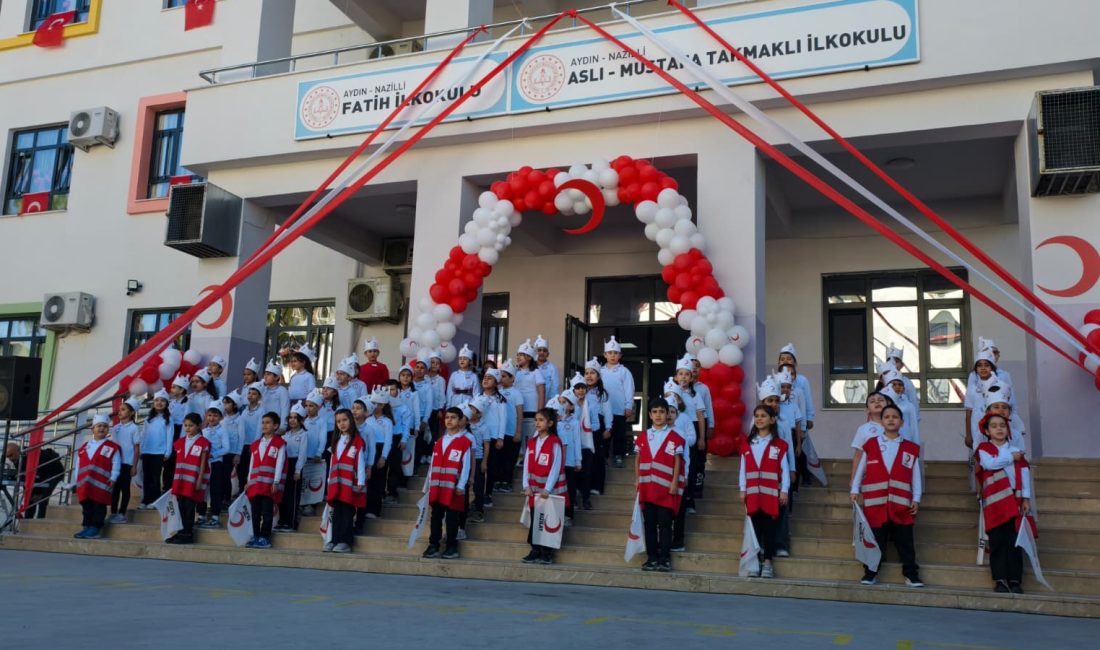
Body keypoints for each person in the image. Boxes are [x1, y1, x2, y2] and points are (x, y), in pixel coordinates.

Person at [850, 404, 924, 587]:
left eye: (895, 416)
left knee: (905, 541)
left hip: (901, 504)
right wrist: (854, 489)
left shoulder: (910, 448)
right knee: (875, 540)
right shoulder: (872, 444)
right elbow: (862, 468)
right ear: (881, 421)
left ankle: (911, 574)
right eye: (887, 416)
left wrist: (916, 498)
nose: (891, 419)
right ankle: (870, 572)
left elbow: (916, 475)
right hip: (875, 503)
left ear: (902, 422)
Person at [975, 413, 1032, 594]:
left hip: (1014, 500)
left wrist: (1026, 498)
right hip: (994, 503)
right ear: (986, 431)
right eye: (994, 426)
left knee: (1014, 542)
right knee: (997, 542)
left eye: (1002, 425)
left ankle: (1015, 580)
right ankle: (1000, 580)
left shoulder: (1016, 451)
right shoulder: (984, 449)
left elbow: (1023, 476)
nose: (999, 428)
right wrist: (1011, 457)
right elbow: (990, 464)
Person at [739, 403, 789, 578]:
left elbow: (784, 468)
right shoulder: (748, 443)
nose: (759, 419)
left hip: (770, 494)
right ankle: (754, 562)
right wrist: (742, 488)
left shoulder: (779, 445)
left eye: (763, 416)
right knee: (755, 527)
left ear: (772, 420)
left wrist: (784, 490)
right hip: (753, 493)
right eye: (757, 416)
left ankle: (767, 562)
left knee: (769, 528)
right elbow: (743, 468)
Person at [636, 397, 685, 572]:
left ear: (668, 415)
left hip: (665, 490)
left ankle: (664, 559)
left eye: (662, 412)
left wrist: (674, 483)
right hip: (647, 489)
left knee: (665, 525)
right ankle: (652, 558)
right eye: (655, 412)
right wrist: (637, 479)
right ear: (649, 415)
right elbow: (638, 458)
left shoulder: (674, 437)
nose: (658, 415)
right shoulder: (644, 436)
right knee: (649, 524)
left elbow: (678, 461)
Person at [422, 406, 472, 560]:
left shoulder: (464, 442)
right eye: (447, 417)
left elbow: (466, 466)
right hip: (437, 487)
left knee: (452, 518)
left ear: (460, 421)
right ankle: (433, 544)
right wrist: (428, 484)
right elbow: (432, 465)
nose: (449, 420)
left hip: (453, 488)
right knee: (435, 517)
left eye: (453, 417)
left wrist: (461, 485)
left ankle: (451, 546)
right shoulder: (439, 441)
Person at [523, 407, 568, 565]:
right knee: (536, 519)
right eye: (536, 419)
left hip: (549, 491)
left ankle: (546, 553)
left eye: (541, 420)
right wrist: (525, 485)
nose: (537, 422)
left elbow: (556, 466)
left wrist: (548, 488)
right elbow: (527, 465)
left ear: (550, 423)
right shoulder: (532, 442)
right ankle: (535, 550)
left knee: (548, 519)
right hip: (534, 490)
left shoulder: (555, 442)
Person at [71, 414, 121, 539]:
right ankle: (86, 527)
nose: (101, 428)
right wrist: (76, 480)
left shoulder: (112, 447)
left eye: (104, 426)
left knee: (99, 506)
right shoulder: (84, 447)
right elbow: (78, 465)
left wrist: (114, 477)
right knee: (86, 507)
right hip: (85, 484)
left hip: (102, 483)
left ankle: (95, 528)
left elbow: (116, 463)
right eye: (99, 426)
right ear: (92, 429)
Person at [326, 408, 368, 553]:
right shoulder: (336, 441)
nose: (341, 424)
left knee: (347, 512)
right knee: (337, 513)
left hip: (350, 484)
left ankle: (345, 541)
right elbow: (332, 461)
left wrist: (361, 482)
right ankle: (335, 539)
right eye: (338, 421)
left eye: (344, 420)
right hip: (336, 484)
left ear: (351, 420)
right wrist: (329, 480)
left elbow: (360, 462)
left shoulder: (357, 441)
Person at [166, 413, 210, 545]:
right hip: (180, 481)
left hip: (193, 482)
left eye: (191, 425)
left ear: (199, 426)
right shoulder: (179, 442)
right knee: (180, 507)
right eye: (186, 425)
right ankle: (180, 532)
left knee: (189, 508)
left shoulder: (203, 442)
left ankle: (188, 533)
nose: (188, 428)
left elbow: (203, 464)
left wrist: (199, 480)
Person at [245, 412, 286, 549]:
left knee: (267, 512)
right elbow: (251, 464)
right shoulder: (256, 444)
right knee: (255, 512)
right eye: (263, 422)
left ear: (275, 426)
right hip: (256, 484)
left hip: (269, 484)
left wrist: (276, 482)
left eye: (268, 422)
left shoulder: (279, 443)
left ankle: (265, 537)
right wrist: (248, 481)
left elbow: (280, 464)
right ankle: (255, 535)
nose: (264, 425)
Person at [599, 337, 635, 469]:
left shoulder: (624, 371)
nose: (613, 355)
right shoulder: (600, 372)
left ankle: (618, 456)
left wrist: (628, 406)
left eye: (615, 353)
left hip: (619, 410)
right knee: (604, 434)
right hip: (603, 410)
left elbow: (629, 389)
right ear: (605, 355)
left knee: (619, 435)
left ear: (620, 355)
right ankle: (604, 456)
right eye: (610, 353)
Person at [137, 390, 174, 509]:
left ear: (167, 404)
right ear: (153, 403)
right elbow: (144, 435)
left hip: (159, 452)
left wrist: (168, 451)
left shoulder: (168, 419)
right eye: (157, 400)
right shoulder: (148, 418)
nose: (159, 403)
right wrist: (141, 449)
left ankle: (154, 500)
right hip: (147, 451)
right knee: (146, 476)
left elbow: (170, 436)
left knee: (155, 477)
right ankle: (145, 499)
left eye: (163, 401)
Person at [108, 398, 141, 524]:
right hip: (116, 463)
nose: (120, 412)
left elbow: (137, 448)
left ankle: (122, 513)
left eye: (123, 409)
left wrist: (134, 465)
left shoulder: (134, 428)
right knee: (115, 489)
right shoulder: (115, 428)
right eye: (119, 409)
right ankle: (113, 512)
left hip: (127, 463)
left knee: (125, 488)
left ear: (132, 413)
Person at [362, 390, 394, 523]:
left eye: (378, 403)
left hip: (380, 450)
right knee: (367, 481)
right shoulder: (367, 420)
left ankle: (374, 510)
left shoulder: (387, 422)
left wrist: (383, 457)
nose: (375, 405)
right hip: (368, 449)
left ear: (383, 405)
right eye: (373, 402)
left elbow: (388, 440)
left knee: (378, 482)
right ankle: (364, 508)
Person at [196, 403, 230, 529]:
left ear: (221, 417)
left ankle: (215, 516)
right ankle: (201, 515)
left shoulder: (223, 430)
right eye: (209, 415)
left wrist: (213, 455)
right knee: (202, 490)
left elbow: (226, 448)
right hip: (204, 465)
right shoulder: (203, 431)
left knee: (216, 489)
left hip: (216, 464)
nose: (212, 418)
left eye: (215, 416)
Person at [8, 442, 63, 519]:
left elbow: (41, 473)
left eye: (11, 455)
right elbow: (25, 478)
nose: (10, 458)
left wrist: (38, 492)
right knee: (30, 498)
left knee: (42, 498)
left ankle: (40, 521)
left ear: (18, 450)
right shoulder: (17, 458)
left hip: (53, 472)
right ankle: (27, 521)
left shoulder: (33, 454)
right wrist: (29, 493)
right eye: (8, 457)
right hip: (39, 474)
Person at [276, 405, 308, 533]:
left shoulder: (304, 434)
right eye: (290, 418)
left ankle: (291, 522)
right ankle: (282, 520)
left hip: (295, 465)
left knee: (292, 495)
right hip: (285, 465)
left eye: (295, 418)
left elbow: (302, 454)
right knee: (283, 494)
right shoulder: (285, 435)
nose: (292, 420)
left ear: (300, 420)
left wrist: (298, 470)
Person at [583, 358, 613, 496]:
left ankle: (596, 486)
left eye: (592, 373)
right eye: (587, 373)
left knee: (597, 458)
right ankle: (582, 486)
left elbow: (607, 411)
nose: (589, 375)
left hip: (597, 428)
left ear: (599, 376)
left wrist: (608, 427)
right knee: (584, 457)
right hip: (583, 427)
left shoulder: (603, 393)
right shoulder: (579, 391)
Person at [850, 391, 894, 484]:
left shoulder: (896, 426)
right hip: (872, 475)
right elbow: (858, 456)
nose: (877, 402)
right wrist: (853, 479)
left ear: (888, 405)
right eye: (872, 401)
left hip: (894, 474)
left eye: (881, 400)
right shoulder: (863, 429)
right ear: (867, 410)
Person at [514, 340, 546, 466]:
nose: (518, 357)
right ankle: (521, 456)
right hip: (518, 408)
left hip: (531, 408)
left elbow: (541, 391)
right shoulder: (515, 372)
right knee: (519, 432)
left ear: (528, 357)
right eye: (517, 354)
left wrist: (540, 411)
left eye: (521, 354)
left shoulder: (536, 372)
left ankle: (531, 457)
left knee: (531, 434)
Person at [478, 367, 507, 508]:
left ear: (496, 383)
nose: (486, 380)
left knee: (491, 465)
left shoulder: (500, 400)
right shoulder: (478, 397)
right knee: (479, 465)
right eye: (484, 377)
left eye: (490, 378)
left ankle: (487, 493)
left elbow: (503, 419)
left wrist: (500, 437)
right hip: (479, 437)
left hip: (494, 436)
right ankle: (478, 492)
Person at [495, 360, 524, 493]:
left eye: (505, 376)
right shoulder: (498, 391)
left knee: (509, 458)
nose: (502, 378)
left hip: (512, 431)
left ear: (512, 378)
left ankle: (507, 482)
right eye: (501, 375)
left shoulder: (516, 393)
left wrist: (518, 432)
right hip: (500, 432)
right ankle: (498, 480)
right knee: (499, 457)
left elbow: (519, 413)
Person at [689, 356, 714, 498]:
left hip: (701, 425)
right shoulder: (680, 387)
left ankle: (698, 487)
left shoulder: (703, 388)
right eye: (691, 366)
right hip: (687, 425)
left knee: (700, 457)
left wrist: (711, 425)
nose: (694, 369)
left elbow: (708, 407)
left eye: (697, 366)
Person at [570, 373, 596, 511]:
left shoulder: (590, 403)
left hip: (586, 442)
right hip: (572, 444)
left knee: (586, 473)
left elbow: (596, 423)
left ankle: (586, 499)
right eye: (577, 387)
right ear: (573, 389)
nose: (580, 390)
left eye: (583, 387)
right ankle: (573, 499)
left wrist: (589, 427)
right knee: (572, 473)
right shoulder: (569, 403)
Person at [385, 379, 412, 505]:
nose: (390, 392)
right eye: (387, 390)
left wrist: (404, 439)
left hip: (396, 439)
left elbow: (406, 425)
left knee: (394, 467)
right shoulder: (381, 406)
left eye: (393, 389)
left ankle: (392, 493)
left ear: (398, 390)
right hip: (383, 439)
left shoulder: (404, 408)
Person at [776, 344, 814, 433]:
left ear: (795, 363)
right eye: (782, 359)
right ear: (778, 363)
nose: (785, 361)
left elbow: (807, 400)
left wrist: (809, 417)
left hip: (799, 420)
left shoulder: (802, 380)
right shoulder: (775, 380)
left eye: (789, 359)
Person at [237, 383, 264, 495]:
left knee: (250, 469)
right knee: (241, 469)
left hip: (253, 444)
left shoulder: (261, 410)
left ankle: (250, 491)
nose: (250, 395)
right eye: (249, 393)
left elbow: (259, 429)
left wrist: (255, 444)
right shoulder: (244, 410)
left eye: (254, 394)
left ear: (259, 396)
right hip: (243, 444)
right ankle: (241, 491)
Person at [881, 369, 920, 446]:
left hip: (905, 439)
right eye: (894, 384)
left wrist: (916, 445)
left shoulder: (909, 406)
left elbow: (914, 428)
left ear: (904, 388)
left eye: (900, 384)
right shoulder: (882, 404)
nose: (897, 387)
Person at [412, 353, 436, 467]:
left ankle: (415, 467)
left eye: (422, 368)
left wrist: (425, 420)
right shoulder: (409, 383)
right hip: (408, 417)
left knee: (418, 443)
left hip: (420, 417)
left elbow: (429, 404)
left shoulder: (428, 386)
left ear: (426, 371)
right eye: (417, 367)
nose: (419, 370)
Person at [221, 390, 245, 505]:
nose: (225, 405)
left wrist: (238, 453)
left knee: (226, 475)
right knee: (221, 476)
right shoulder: (222, 419)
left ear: (235, 405)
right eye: (224, 403)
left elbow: (241, 437)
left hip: (232, 452)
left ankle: (227, 498)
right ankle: (221, 498)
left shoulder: (240, 420)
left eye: (227, 403)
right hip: (221, 451)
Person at [260, 360, 290, 430]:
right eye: (265, 374)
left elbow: (285, 409)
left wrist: (282, 427)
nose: (265, 377)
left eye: (269, 374)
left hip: (275, 425)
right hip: (263, 424)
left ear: (276, 377)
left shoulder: (282, 390)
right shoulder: (263, 390)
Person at [534, 334, 560, 400]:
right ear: (535, 352)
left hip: (546, 404)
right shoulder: (529, 366)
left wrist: (552, 404)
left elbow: (555, 388)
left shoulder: (552, 368)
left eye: (544, 350)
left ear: (548, 354)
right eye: (539, 350)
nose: (542, 352)